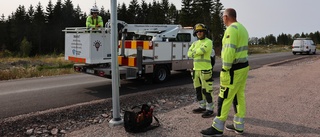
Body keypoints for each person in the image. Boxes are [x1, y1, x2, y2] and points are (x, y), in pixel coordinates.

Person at [201, 8, 250, 136]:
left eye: (223, 17)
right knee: (239, 96)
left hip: (233, 70)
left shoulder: (231, 29)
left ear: (226, 17)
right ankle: (238, 126)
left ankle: (217, 127)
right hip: (243, 67)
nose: (223, 19)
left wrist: (225, 69)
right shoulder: (242, 28)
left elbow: (229, 51)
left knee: (224, 96)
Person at [187, 23, 214, 118]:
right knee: (198, 90)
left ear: (204, 32)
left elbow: (200, 51)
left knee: (207, 91)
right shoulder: (195, 43)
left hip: (205, 70)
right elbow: (189, 54)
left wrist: (195, 51)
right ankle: (202, 106)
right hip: (196, 70)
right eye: (197, 31)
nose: (199, 33)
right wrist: (196, 51)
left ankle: (210, 109)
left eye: (201, 31)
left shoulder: (208, 42)